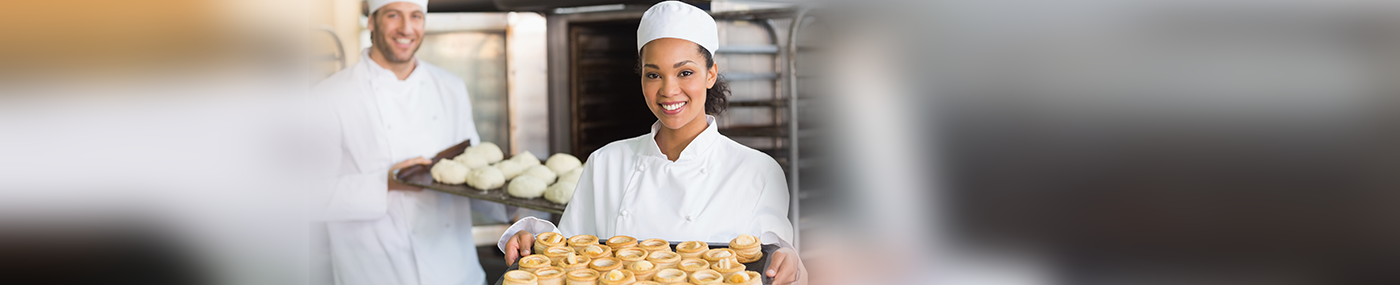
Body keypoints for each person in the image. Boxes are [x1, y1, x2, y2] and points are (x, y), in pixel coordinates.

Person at [496, 2, 806, 284]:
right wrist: (531, 242)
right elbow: (570, 257)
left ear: (711, 74)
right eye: (653, 75)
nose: (669, 90)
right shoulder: (607, 161)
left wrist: (789, 262)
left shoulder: (757, 171)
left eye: (685, 72)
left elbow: (776, 260)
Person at [310, 1, 492, 284]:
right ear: (372, 21)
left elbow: (474, 177)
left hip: (455, 272)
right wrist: (385, 183)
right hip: (376, 274)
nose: (406, 28)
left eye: (416, 16)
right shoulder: (330, 97)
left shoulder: (450, 88)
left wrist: (521, 215)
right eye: (394, 15)